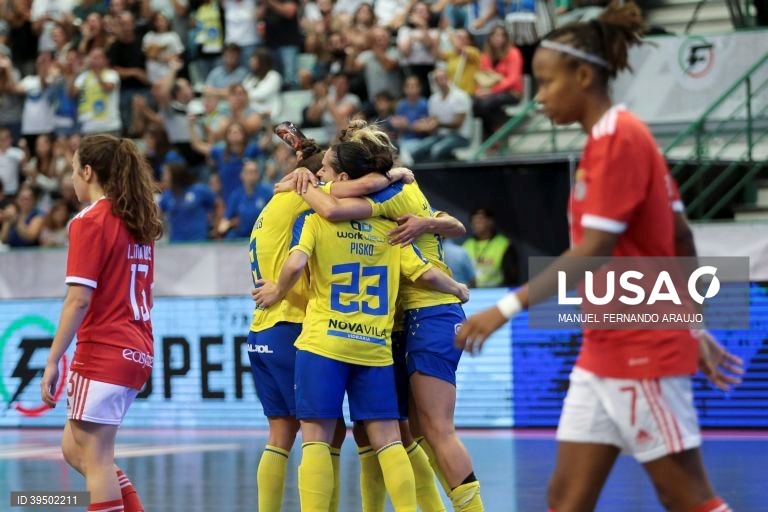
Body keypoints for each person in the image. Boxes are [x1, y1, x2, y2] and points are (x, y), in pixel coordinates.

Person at [456, 5, 742, 512]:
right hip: (602, 350)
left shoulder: (620, 140)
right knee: (565, 500)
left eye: (545, 83)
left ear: (583, 75)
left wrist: (503, 309)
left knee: (688, 498)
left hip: (640, 347)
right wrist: (692, 326)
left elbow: (592, 253)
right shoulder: (612, 140)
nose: (538, 98)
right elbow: (680, 237)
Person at [253, 141, 469, 512]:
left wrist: (276, 290)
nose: (319, 176)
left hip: (305, 333)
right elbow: (426, 267)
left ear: (338, 176)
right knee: (388, 436)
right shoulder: (388, 225)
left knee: (311, 437)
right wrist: (458, 288)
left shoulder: (306, 209)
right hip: (372, 343)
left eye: (325, 171)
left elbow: (294, 264)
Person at [39, 134, 163, 512]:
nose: (73, 180)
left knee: (95, 460)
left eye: (75, 171)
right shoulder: (137, 221)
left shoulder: (89, 221)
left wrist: (52, 360)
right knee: (74, 449)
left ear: (88, 172)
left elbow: (78, 300)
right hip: (136, 349)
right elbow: (148, 294)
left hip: (104, 351)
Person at [462, 208, 510, 287]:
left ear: (490, 221)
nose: (476, 223)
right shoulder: (467, 245)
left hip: (496, 291)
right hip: (472, 292)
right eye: (474, 221)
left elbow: (511, 276)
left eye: (480, 220)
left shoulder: (504, 244)